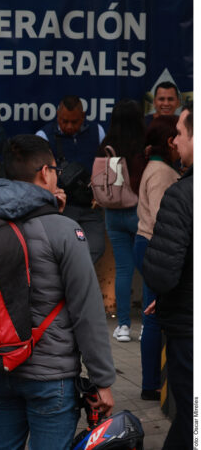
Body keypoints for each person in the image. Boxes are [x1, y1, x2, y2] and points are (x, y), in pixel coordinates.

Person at [0, 134, 114, 449]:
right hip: (50, 377)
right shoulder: (63, 230)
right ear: (46, 173)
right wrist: (102, 380)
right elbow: (86, 310)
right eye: (54, 169)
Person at [142, 105, 193, 450]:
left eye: (180, 132)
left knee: (191, 419)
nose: (174, 140)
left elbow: (162, 273)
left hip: (190, 332)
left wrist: (167, 291)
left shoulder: (183, 195)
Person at [133, 115, 179, 401]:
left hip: (146, 243)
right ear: (171, 142)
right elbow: (166, 217)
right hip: (154, 245)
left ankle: (152, 383)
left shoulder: (158, 167)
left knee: (153, 316)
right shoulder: (162, 172)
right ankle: (150, 385)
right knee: (153, 317)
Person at [96, 100, 146, 343]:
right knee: (146, 271)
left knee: (123, 270)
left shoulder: (106, 145)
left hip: (112, 212)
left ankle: (124, 326)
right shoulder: (143, 145)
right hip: (139, 211)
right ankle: (148, 325)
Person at [36, 95, 107, 264]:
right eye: (63, 121)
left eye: (74, 122)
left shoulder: (98, 131)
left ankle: (77, 280)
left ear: (83, 117)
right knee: (61, 250)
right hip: (61, 208)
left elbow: (107, 166)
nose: (68, 126)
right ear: (57, 116)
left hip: (91, 206)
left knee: (96, 247)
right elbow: (37, 175)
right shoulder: (44, 136)